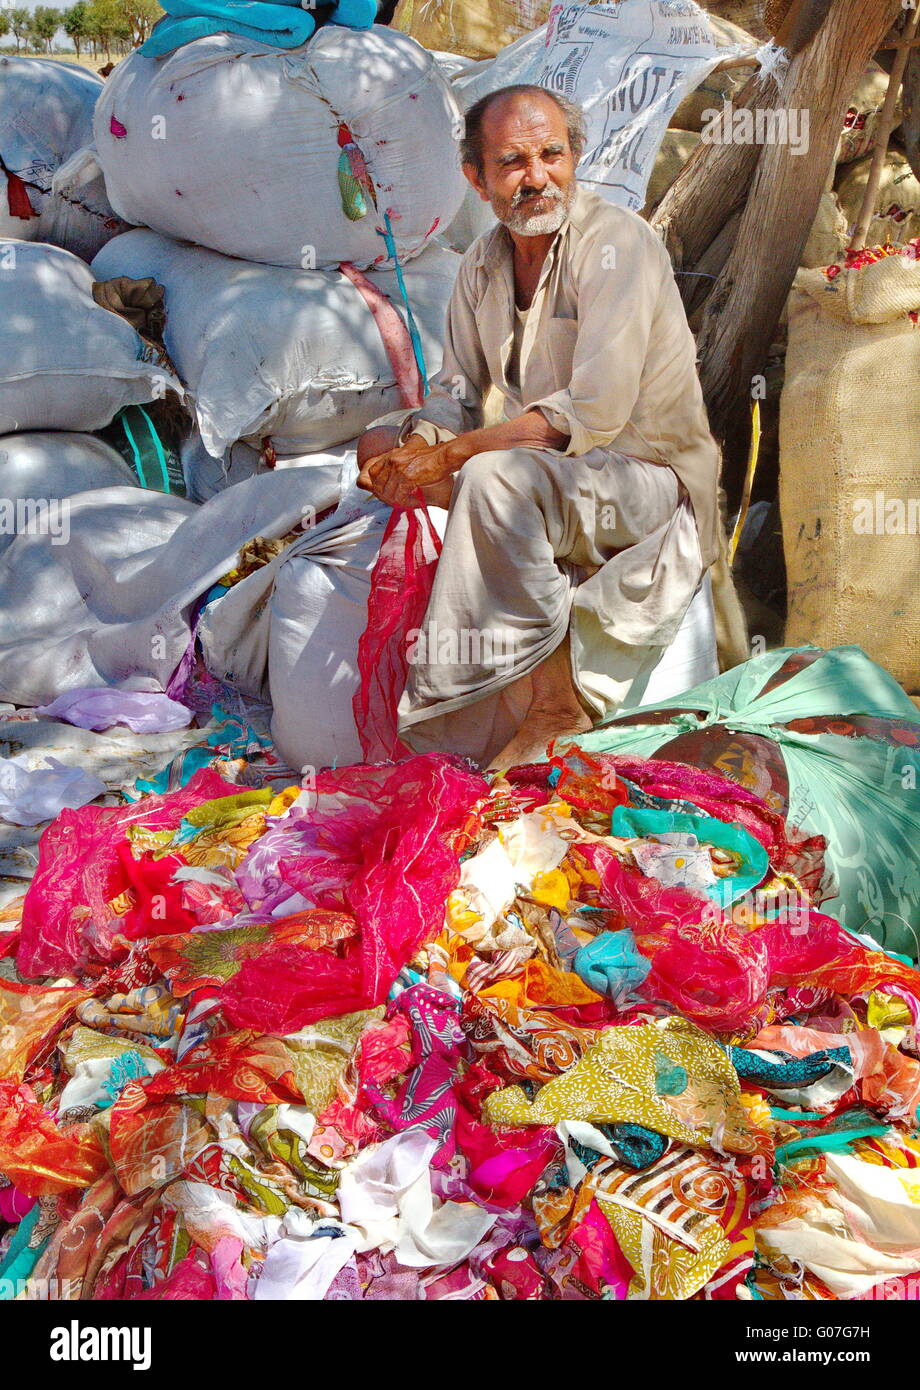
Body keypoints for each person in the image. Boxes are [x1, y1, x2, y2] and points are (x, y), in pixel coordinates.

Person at [357, 83, 723, 769]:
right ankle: (497, 706)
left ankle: (558, 707)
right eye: (512, 163)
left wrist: (460, 452)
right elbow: (456, 395)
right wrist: (403, 442)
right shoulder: (482, 265)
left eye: (551, 154)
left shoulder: (617, 244)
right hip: (566, 478)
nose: (536, 178)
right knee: (387, 448)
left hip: (650, 477)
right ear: (476, 178)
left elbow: (594, 413)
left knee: (496, 478)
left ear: (574, 156)